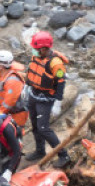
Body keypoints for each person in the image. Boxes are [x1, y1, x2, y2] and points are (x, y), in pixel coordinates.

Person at [25, 31, 70, 168]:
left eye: (36, 48)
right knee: (35, 126)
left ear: (44, 49)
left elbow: (61, 82)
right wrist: (26, 88)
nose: (34, 50)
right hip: (33, 94)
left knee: (43, 128)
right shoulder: (37, 56)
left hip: (46, 99)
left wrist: (58, 102)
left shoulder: (56, 63)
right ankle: (40, 151)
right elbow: (32, 73)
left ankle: (63, 155)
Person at [0, 50, 28, 129]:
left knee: (14, 135)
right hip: (6, 112)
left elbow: (9, 102)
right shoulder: (0, 76)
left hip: (16, 115)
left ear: (1, 65)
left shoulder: (12, 81)